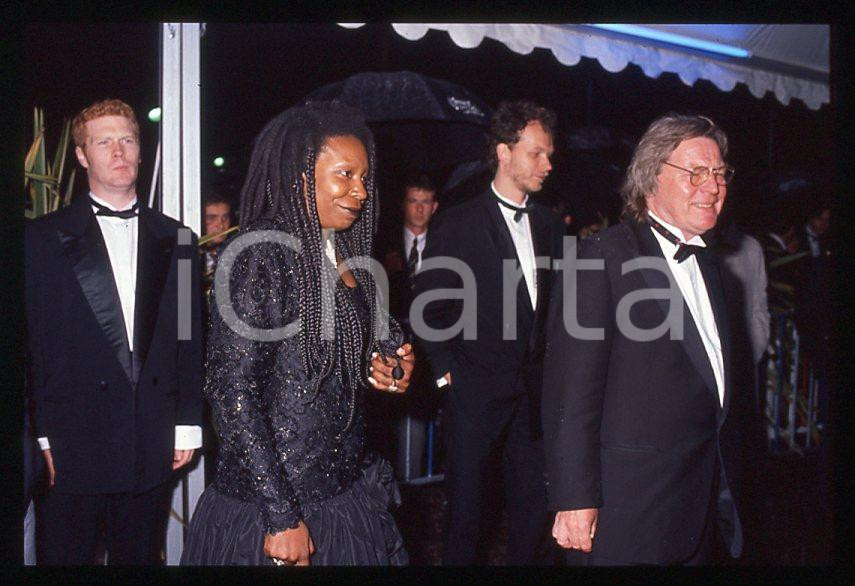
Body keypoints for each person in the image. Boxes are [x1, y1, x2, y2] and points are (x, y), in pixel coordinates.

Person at [180, 101, 415, 566]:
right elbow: (232, 392)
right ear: (300, 175)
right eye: (345, 175)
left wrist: (395, 361)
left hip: (345, 496)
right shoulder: (257, 253)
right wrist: (281, 517)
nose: (360, 191)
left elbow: (380, 332)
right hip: (274, 511)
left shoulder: (347, 254)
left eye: (365, 178)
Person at [542, 113, 743, 565]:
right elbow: (570, 393)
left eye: (718, 173)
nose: (712, 187)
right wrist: (573, 498)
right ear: (652, 177)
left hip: (697, 507)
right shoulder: (600, 257)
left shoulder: (713, 268)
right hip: (626, 513)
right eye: (696, 173)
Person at [25, 98, 204, 565]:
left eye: (127, 139)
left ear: (141, 152)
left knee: (140, 558)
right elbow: (32, 346)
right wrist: (40, 437)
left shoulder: (179, 240)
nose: (118, 151)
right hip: (70, 444)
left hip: (150, 438)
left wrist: (187, 423)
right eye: (104, 142)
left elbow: (189, 337)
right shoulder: (41, 239)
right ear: (82, 156)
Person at [414, 100, 565, 565]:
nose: (548, 164)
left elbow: (553, 309)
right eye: (537, 153)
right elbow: (428, 308)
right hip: (476, 396)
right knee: (466, 518)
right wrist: (447, 376)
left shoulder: (548, 224)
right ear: (504, 152)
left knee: (533, 515)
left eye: (550, 154)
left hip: (534, 399)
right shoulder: (457, 222)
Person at [374, 171, 440, 480]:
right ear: (403, 205)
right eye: (413, 202)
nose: (419, 209)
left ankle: (416, 477)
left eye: (425, 202)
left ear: (434, 207)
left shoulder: (445, 243)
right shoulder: (381, 244)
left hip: (429, 342)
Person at [201, 190, 234, 281]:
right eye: (211, 218)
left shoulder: (236, 255)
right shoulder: (191, 257)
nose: (220, 225)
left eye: (225, 218)